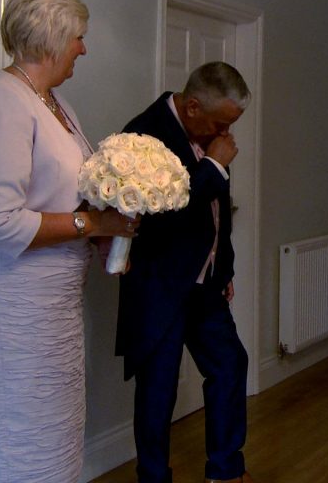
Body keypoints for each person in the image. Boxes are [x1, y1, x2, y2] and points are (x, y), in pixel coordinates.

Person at [0, 0, 137, 482]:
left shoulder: (56, 104)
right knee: (17, 434)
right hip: (12, 304)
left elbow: (61, 194)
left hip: (54, 305)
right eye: (79, 36)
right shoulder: (3, 101)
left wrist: (105, 230)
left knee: (54, 432)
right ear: (51, 38)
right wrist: (94, 222)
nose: (84, 47)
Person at [118, 62, 255, 483]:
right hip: (161, 285)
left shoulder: (212, 136)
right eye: (220, 123)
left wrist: (223, 265)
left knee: (230, 364)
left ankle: (225, 470)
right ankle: (154, 477)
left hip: (205, 284)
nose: (225, 134)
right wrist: (212, 168)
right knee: (159, 388)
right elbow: (160, 216)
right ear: (193, 106)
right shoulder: (143, 136)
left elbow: (218, 213)